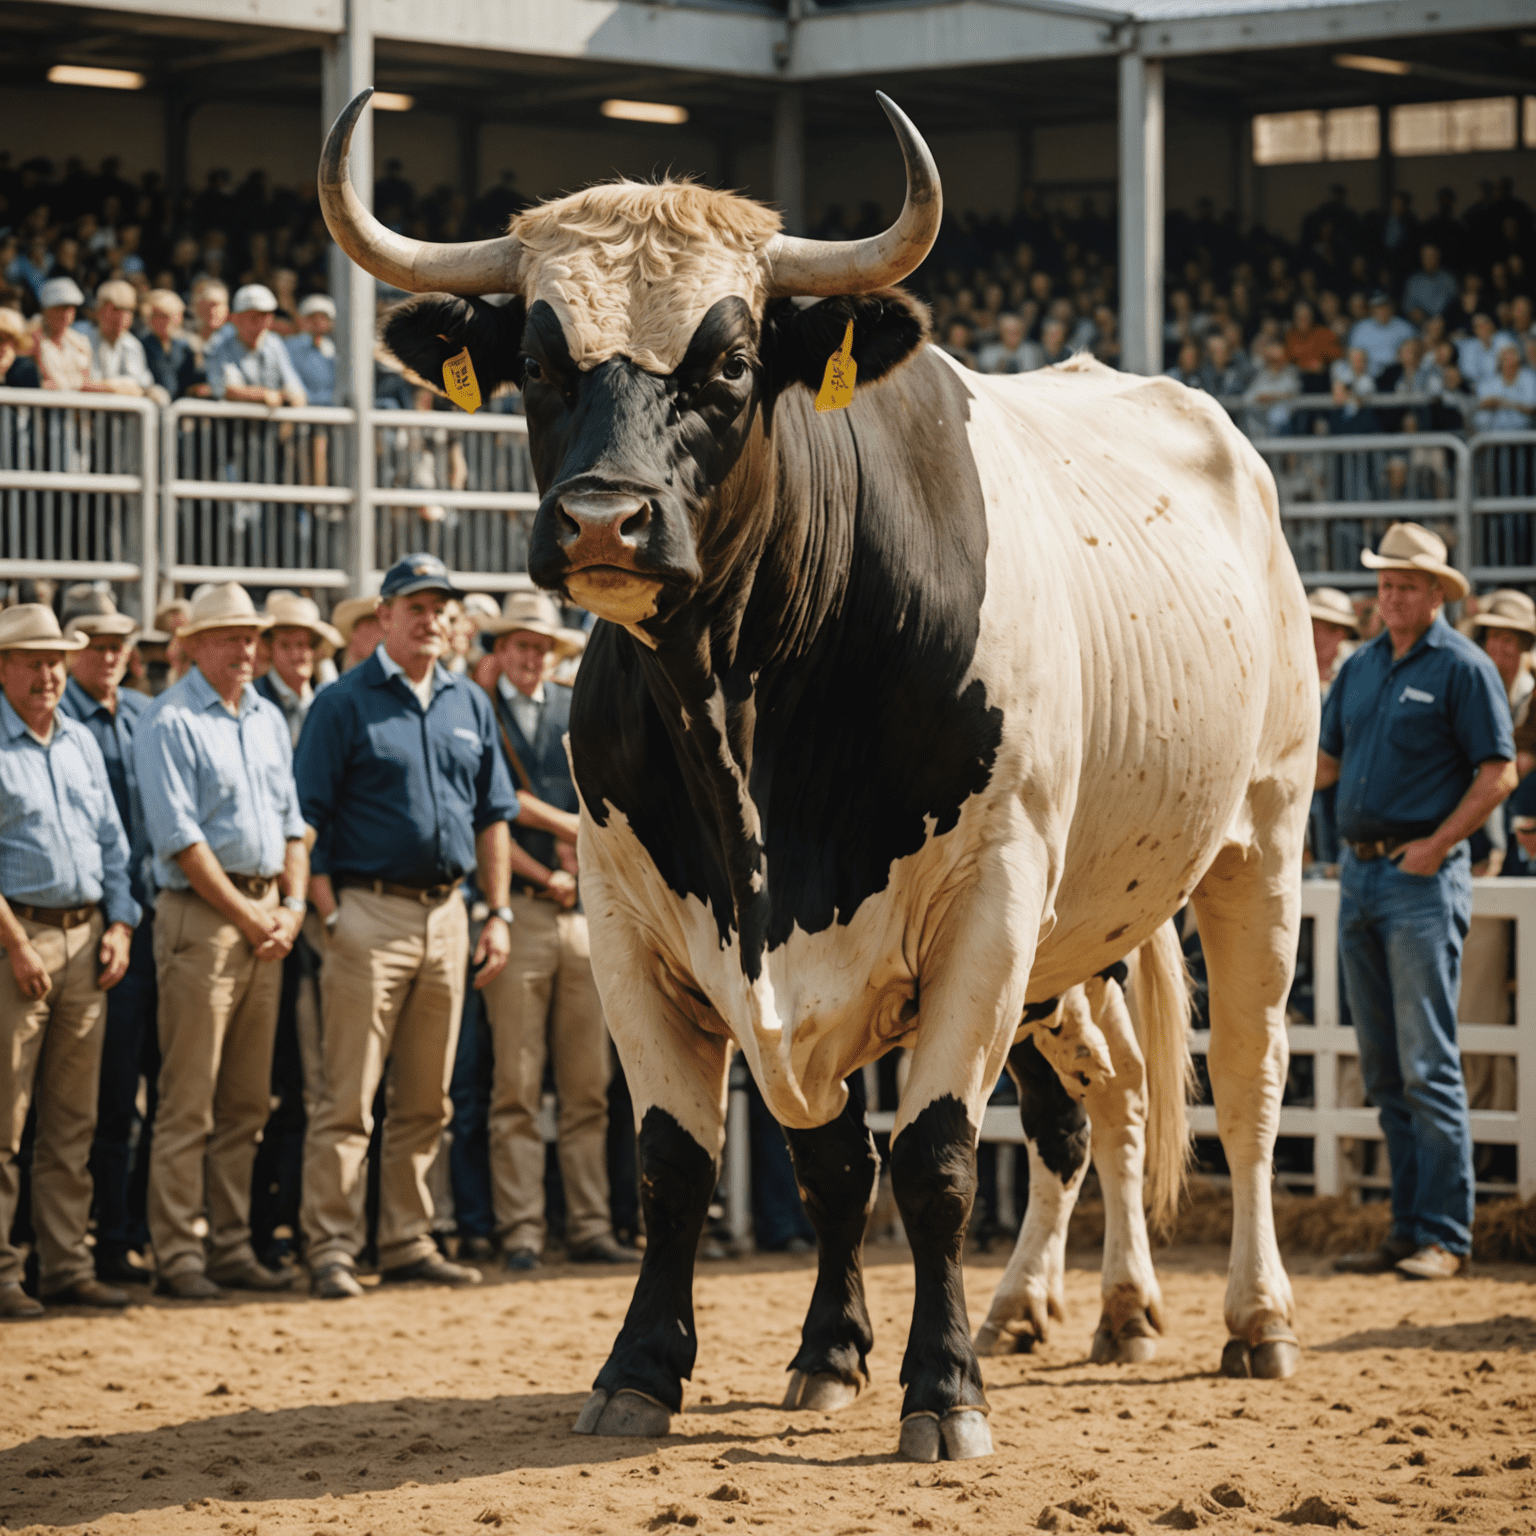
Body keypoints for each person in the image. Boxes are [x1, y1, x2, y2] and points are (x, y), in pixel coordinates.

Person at [294, 554, 521, 1299]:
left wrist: (496, 912)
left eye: (439, 609)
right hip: (368, 913)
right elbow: (306, 823)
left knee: (428, 1099)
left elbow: (494, 816)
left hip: (449, 916)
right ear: (382, 617)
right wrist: (331, 915)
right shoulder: (343, 702)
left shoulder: (468, 703)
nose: (429, 621)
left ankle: (406, 1239)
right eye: (413, 608)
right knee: (347, 1098)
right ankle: (331, 1245)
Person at [1322, 524, 1516, 1280]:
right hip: (1363, 874)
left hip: (1420, 879)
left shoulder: (1463, 667)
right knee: (1384, 1067)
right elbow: (1326, 763)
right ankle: (1409, 1229)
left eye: (1406, 585)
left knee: (1427, 1064)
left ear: (1437, 593)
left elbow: (1497, 773)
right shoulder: (1361, 667)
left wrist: (1437, 845)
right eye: (1385, 584)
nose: (1391, 595)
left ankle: (1443, 1234)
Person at [135, 582, 309, 1299]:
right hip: (207, 919)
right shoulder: (169, 720)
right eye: (230, 637)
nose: (246, 649)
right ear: (193, 645)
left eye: (251, 637)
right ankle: (179, 1253)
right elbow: (179, 841)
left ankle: (230, 1244)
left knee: (244, 1102)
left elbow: (294, 822)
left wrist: (291, 906)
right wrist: (254, 915)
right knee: (188, 1100)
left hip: (263, 912)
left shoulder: (265, 715)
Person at [469, 593, 635, 1269]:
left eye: (541, 647)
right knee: (516, 1082)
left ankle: (589, 1223)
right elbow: (500, 808)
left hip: (582, 911)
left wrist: (578, 854)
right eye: (521, 645)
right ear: (502, 650)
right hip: (528, 905)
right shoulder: (485, 712)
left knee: (587, 1085)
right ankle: (523, 1230)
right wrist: (562, 855)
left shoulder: (571, 705)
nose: (533, 656)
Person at [0, 603, 139, 1316]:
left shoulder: (80, 742)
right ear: (2, 669)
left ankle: (64, 1264)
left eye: (56, 660)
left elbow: (114, 845)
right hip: (14, 942)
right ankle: (3, 1273)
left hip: (87, 943)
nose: (48, 673)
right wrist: (17, 943)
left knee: (71, 1120)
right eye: (32, 660)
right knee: (5, 1120)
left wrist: (120, 922)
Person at [55, 586, 160, 1285]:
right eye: (95, 641)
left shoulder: (147, 715)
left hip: (152, 920)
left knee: (143, 1088)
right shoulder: (54, 720)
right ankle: (70, 1242)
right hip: (95, 923)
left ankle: (122, 1234)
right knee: (86, 1097)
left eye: (120, 640)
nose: (111, 652)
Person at [255, 593, 340, 748]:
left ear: (313, 649)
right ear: (269, 649)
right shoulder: (255, 699)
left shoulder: (319, 697)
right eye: (285, 645)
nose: (295, 655)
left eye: (301, 645)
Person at [203, 284, 305, 408]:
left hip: (269, 427)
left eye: (266, 317)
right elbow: (228, 389)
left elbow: (295, 390)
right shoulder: (220, 343)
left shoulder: (274, 342)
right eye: (254, 317)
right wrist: (265, 395)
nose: (261, 324)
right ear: (236, 319)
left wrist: (292, 397)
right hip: (232, 425)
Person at [83, 279, 153, 398]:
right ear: (100, 311)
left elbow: (142, 384)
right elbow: (84, 384)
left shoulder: (133, 345)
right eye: (116, 309)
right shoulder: (83, 341)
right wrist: (115, 388)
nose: (122, 316)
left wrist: (107, 387)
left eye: (127, 310)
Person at [34, 277, 91, 391]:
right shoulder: (32, 339)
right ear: (45, 310)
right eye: (58, 308)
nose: (64, 313)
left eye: (69, 307)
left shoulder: (81, 342)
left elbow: (86, 381)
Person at [1347, 291, 1416, 384]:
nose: (1381, 310)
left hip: (1396, 371)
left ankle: (1410, 389)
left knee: (1410, 352)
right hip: (1369, 373)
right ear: (1371, 309)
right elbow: (1353, 354)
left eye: (1384, 305)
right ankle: (1360, 390)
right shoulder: (1360, 328)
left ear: (1391, 307)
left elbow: (1416, 351)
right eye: (1377, 306)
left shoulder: (1404, 327)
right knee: (1355, 357)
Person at [283, 295, 336, 406]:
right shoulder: (291, 345)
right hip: (303, 411)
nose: (318, 322)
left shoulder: (333, 348)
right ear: (303, 319)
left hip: (331, 412)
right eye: (313, 317)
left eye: (324, 317)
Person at [1473, 342, 1536, 433]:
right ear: (1500, 361)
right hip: (1496, 436)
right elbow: (1482, 404)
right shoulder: (1490, 381)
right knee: (1482, 417)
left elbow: (1531, 408)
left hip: (1525, 434)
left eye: (1512, 358)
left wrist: (1502, 403)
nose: (1509, 363)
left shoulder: (1529, 377)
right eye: (1505, 359)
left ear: (1518, 360)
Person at [139, 289, 191, 401]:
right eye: (159, 316)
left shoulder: (185, 348)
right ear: (149, 317)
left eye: (169, 316)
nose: (165, 321)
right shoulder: (141, 345)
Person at [1402, 245, 1458, 324]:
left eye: (1432, 256)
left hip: (1445, 325)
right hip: (1420, 327)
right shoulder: (1413, 280)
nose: (1429, 259)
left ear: (1438, 257)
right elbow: (1407, 307)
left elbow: (1456, 306)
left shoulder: (1449, 279)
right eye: (1425, 256)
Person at [332, 595, 384, 672]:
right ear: (354, 631)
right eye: (369, 625)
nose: (380, 635)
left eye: (381, 628)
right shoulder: (332, 668)